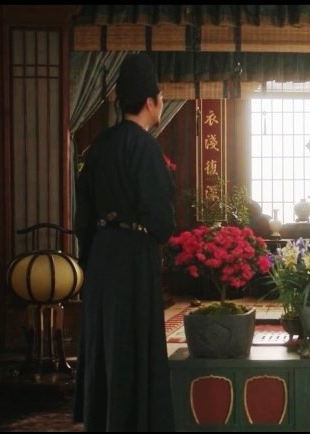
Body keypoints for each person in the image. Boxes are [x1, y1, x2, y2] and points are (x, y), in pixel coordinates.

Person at [73, 53, 176, 431]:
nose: (161, 103)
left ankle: (103, 420)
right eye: (161, 97)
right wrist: (157, 235)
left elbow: (83, 215)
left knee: (105, 341)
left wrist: (92, 256)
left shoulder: (100, 145)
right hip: (133, 255)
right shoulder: (144, 147)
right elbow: (160, 217)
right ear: (150, 101)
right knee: (132, 340)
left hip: (102, 253)